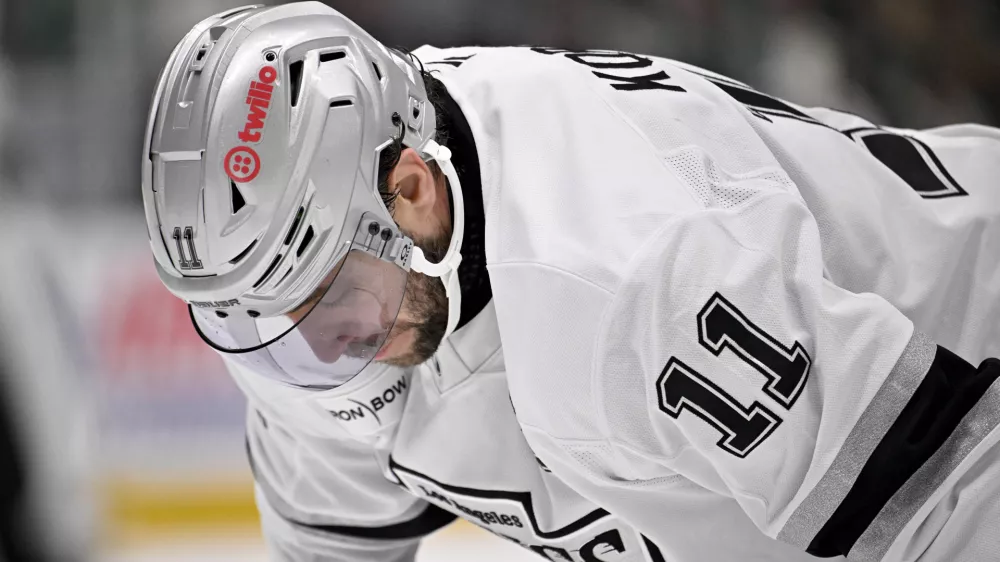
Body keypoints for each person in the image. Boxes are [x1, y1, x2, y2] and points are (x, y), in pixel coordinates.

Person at [142, 3, 1000, 561]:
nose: (329, 359)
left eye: (335, 309)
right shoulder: (323, 305)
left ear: (408, 189)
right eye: (281, 337)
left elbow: (950, 505)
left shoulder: (624, 274)